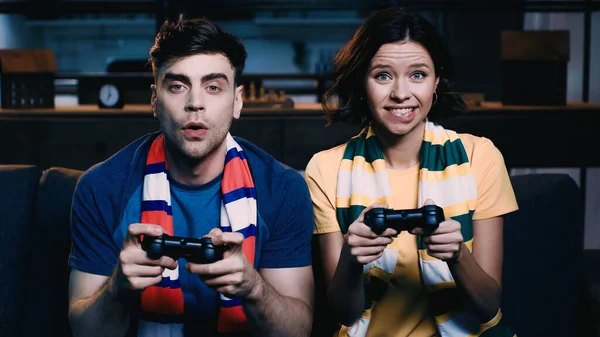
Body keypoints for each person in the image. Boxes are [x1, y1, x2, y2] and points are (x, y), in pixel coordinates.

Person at [67, 17, 314, 337]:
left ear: (237, 101)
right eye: (177, 86)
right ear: (155, 100)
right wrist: (118, 287)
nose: (195, 103)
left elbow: (297, 332)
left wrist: (252, 287)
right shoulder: (101, 187)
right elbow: (85, 333)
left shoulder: (281, 189)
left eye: (213, 87)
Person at [305, 6, 519, 337]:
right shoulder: (326, 169)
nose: (401, 93)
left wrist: (457, 254)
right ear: (363, 84)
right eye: (383, 76)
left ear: (437, 82)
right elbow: (342, 314)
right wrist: (351, 258)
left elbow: (488, 306)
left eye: (417, 75)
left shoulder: (480, 157)